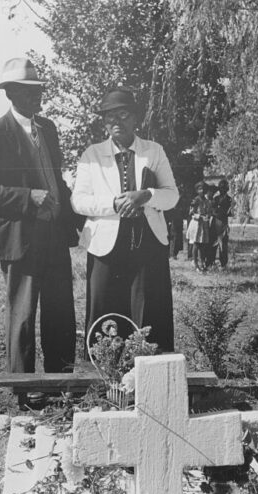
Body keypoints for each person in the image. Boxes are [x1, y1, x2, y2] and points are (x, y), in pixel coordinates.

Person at [0, 58, 82, 393]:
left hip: (55, 237)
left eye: (40, 90)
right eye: (30, 91)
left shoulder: (48, 128)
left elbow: (57, 182)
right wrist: (27, 196)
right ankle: (25, 389)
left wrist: (80, 216)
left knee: (61, 313)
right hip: (20, 239)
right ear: (11, 94)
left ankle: (60, 384)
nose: (38, 97)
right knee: (22, 317)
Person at [71, 88, 179, 352]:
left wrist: (147, 195)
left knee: (149, 310)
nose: (116, 122)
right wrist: (113, 204)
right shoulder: (92, 155)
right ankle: (104, 374)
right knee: (105, 311)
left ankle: (149, 374)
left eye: (123, 114)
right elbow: (78, 201)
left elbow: (172, 196)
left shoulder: (153, 151)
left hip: (148, 245)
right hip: (106, 248)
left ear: (135, 118)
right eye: (109, 117)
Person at [186, 182, 213, 272]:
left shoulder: (207, 201)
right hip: (196, 224)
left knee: (202, 244)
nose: (201, 191)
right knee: (196, 243)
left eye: (203, 189)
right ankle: (196, 263)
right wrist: (199, 216)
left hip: (204, 224)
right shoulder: (195, 200)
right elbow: (191, 212)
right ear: (197, 190)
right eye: (199, 189)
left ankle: (202, 262)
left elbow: (209, 212)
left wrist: (208, 216)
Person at [209, 178, 233, 268]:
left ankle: (223, 264)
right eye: (221, 188)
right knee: (213, 243)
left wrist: (228, 212)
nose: (222, 190)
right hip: (216, 222)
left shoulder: (229, 200)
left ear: (227, 189)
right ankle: (211, 262)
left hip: (224, 223)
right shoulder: (216, 199)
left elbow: (230, 213)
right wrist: (219, 213)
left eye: (224, 188)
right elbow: (212, 211)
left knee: (223, 244)